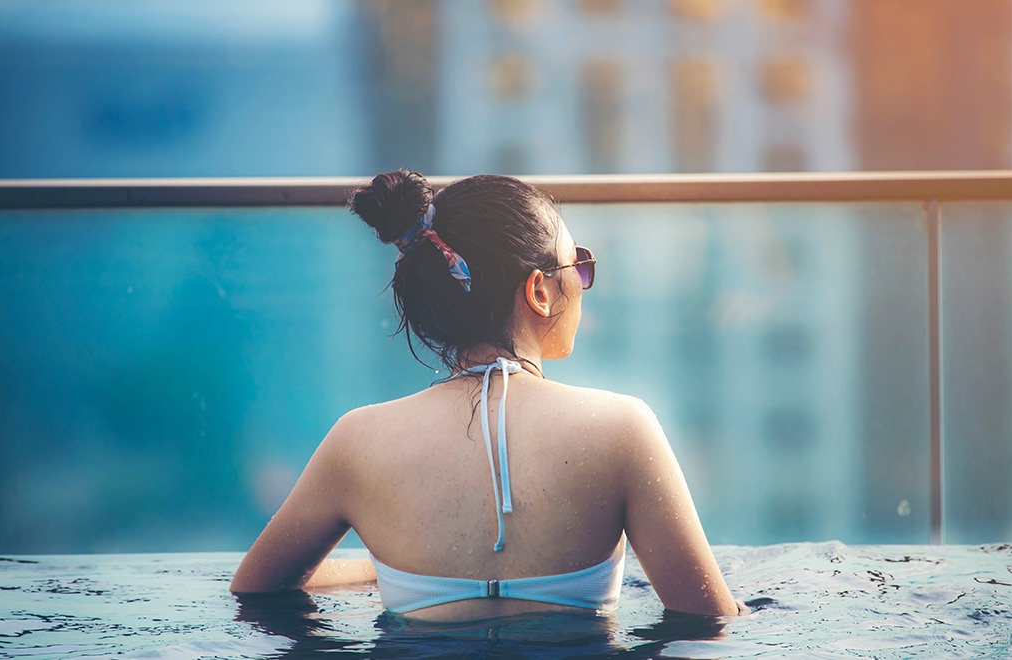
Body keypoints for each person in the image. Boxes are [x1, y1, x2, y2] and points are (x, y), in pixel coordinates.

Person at [230, 170, 742, 621]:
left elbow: (256, 588)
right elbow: (706, 618)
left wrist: (380, 568)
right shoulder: (621, 429)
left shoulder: (357, 441)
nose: (584, 282)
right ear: (539, 291)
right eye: (578, 267)